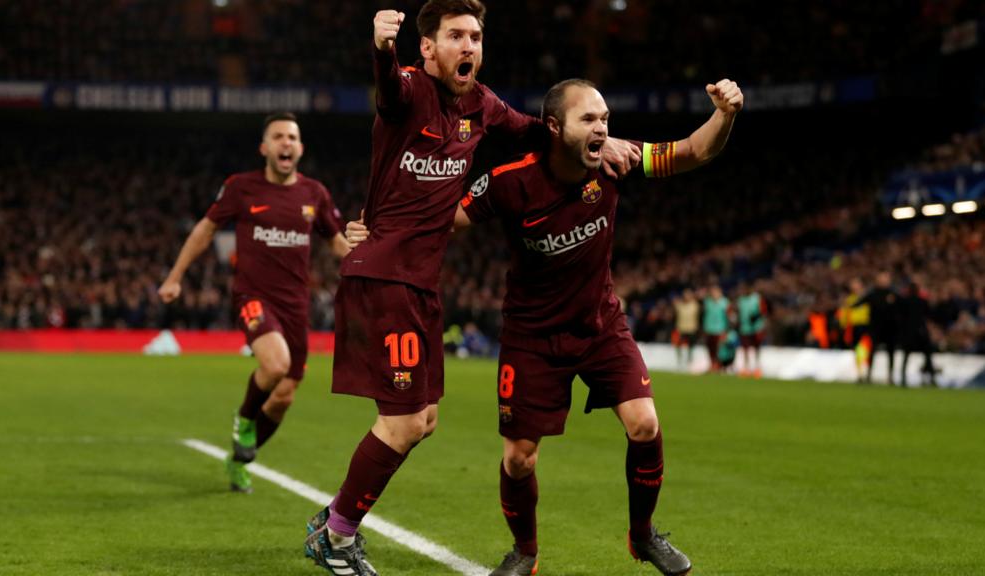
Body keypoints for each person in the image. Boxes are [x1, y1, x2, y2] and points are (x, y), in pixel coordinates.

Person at [350, 75, 743, 575]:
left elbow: (692, 152)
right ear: (555, 127)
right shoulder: (510, 181)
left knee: (644, 424)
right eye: (589, 119)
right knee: (519, 460)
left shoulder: (616, 161)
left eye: (605, 119)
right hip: (531, 337)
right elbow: (440, 220)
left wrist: (724, 115)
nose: (602, 128)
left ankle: (643, 537)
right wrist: (373, 225)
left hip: (600, 325)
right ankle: (526, 552)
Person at [302, 3, 640, 575]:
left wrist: (599, 143)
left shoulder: (481, 105)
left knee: (424, 420)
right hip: (385, 275)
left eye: (476, 36)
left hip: (421, 282)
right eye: (455, 35)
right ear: (427, 48)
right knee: (405, 422)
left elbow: (541, 130)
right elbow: (388, 88)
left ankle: (334, 516)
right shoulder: (408, 89)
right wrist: (381, 48)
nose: (468, 46)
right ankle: (336, 537)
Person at [158, 112, 351, 493]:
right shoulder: (241, 187)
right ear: (264, 148)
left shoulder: (315, 193)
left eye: (292, 137)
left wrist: (370, 261)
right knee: (275, 365)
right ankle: (244, 419)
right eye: (278, 137)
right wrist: (175, 275)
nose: (285, 143)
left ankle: (238, 459)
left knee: (283, 396)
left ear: (300, 148)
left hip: (296, 305)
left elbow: (337, 242)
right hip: (253, 296)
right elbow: (206, 228)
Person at [898, 281, 937, 387]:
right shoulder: (922, 301)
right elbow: (930, 315)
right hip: (921, 332)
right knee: (928, 355)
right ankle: (932, 378)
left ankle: (903, 378)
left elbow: (900, 318)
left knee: (906, 356)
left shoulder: (904, 302)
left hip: (909, 333)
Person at [735, 283, 766, 377]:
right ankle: (746, 368)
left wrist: (757, 316)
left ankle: (757, 367)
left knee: (757, 348)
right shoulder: (741, 300)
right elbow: (738, 313)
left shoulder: (757, 298)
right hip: (745, 328)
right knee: (745, 349)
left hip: (756, 328)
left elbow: (763, 311)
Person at [701, 285, 730, 372]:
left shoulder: (725, 302)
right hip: (709, 329)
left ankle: (720, 365)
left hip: (720, 329)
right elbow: (705, 316)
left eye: (716, 292)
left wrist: (726, 330)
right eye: (712, 292)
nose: (714, 294)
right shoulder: (708, 302)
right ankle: (712, 364)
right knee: (710, 349)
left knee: (720, 350)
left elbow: (727, 317)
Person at [672, 290, 699, 370]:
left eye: (688, 295)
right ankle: (679, 360)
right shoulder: (679, 305)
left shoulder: (695, 305)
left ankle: (690, 360)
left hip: (691, 328)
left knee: (691, 346)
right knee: (678, 345)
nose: (686, 297)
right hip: (681, 328)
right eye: (685, 295)